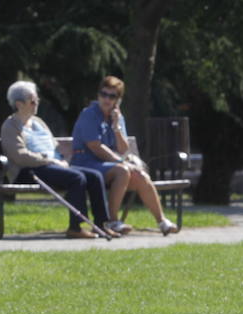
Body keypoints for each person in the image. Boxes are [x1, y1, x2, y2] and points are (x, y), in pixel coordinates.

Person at [0, 80, 117, 239]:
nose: (36, 104)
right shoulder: (10, 126)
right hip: (28, 171)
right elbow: (20, 156)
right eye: (32, 101)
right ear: (19, 104)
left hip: (51, 166)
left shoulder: (38, 123)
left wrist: (60, 160)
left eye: (37, 100)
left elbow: (53, 147)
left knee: (95, 176)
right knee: (76, 177)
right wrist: (49, 161)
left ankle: (101, 224)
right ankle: (75, 227)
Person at [70, 75, 179, 236]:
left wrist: (116, 127)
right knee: (123, 171)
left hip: (107, 166)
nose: (106, 99)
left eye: (112, 96)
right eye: (103, 94)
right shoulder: (89, 114)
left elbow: (122, 148)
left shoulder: (117, 117)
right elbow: (96, 147)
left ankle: (162, 221)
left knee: (141, 176)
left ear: (118, 100)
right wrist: (122, 162)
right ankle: (112, 221)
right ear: (98, 94)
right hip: (85, 163)